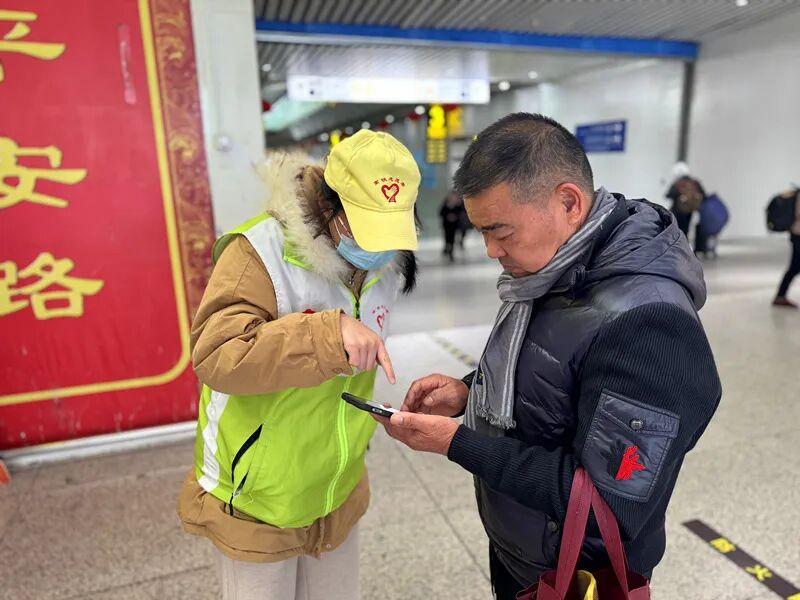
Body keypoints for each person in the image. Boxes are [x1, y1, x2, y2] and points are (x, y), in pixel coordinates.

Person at [374, 113, 722, 599]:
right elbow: (555, 371)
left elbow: (609, 505)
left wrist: (459, 443)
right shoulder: (557, 269)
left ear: (569, 202)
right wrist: (471, 389)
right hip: (525, 550)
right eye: (481, 232)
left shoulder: (649, 325)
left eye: (501, 231)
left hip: (577, 575)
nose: (491, 250)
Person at [177, 130, 421, 600]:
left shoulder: (385, 264)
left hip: (337, 485)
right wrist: (324, 335)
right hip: (258, 494)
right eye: (363, 226)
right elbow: (217, 354)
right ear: (330, 205)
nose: (378, 247)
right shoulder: (260, 250)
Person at [665, 162, 708, 255]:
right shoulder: (695, 182)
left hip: (677, 211)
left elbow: (668, 195)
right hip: (689, 211)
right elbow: (704, 195)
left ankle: (677, 249)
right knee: (686, 230)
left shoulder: (677, 183)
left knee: (677, 230)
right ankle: (686, 249)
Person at [773, 189, 800, 308]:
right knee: (794, 267)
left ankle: (780, 295)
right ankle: (780, 296)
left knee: (794, 267)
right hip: (798, 235)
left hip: (796, 234)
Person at [440, 191, 466, 262]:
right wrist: (448, 216)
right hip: (446, 226)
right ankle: (447, 249)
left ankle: (450, 252)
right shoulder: (445, 205)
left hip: (454, 226)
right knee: (447, 238)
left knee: (452, 239)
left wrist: (455, 216)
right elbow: (441, 213)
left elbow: (461, 212)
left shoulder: (457, 205)